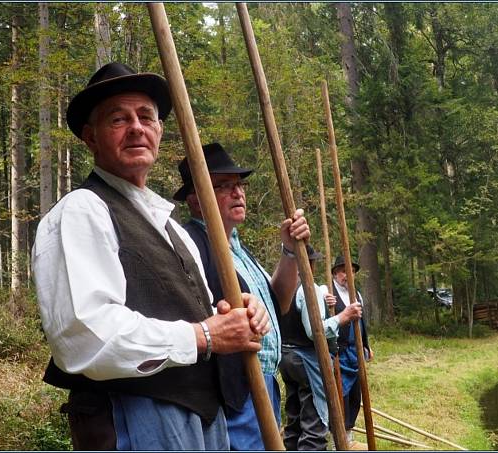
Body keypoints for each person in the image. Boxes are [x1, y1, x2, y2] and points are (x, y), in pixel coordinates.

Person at [31, 62, 271, 451]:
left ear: (159, 131)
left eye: (146, 117)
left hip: (203, 415)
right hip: (133, 415)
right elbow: (87, 333)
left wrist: (239, 311)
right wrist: (205, 335)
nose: (137, 127)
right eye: (118, 119)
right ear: (91, 137)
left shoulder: (172, 226)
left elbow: (205, 311)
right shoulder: (81, 211)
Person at [174, 142, 310, 450]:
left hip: (263, 386)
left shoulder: (238, 247)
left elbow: (281, 304)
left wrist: (289, 251)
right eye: (224, 186)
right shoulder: (189, 245)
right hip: (232, 392)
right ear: (196, 199)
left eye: (239, 185)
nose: (238, 193)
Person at [279, 245, 362, 450]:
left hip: (287, 357)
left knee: (295, 422)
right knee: (315, 424)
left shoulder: (281, 285)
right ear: (310, 263)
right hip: (306, 359)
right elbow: (315, 331)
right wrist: (343, 317)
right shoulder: (308, 287)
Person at [330, 255, 374, 449]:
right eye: (342, 271)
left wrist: (366, 345)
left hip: (356, 352)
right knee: (341, 395)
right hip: (339, 352)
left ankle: (348, 435)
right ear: (334, 273)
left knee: (356, 394)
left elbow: (362, 323)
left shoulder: (356, 294)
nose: (347, 275)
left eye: (350, 271)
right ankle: (336, 439)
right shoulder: (327, 292)